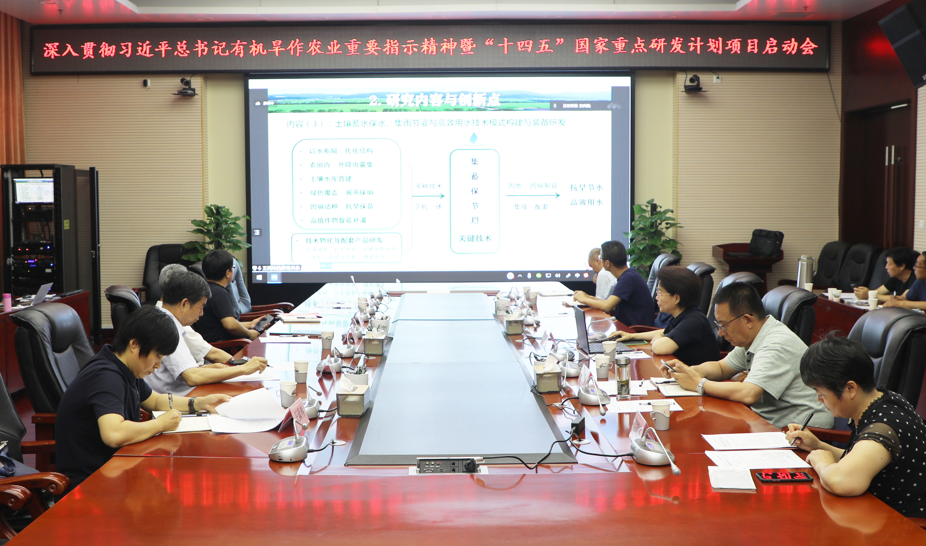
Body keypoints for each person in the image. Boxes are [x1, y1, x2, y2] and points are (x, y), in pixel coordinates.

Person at [56, 306, 231, 489]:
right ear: (134, 344)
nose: (158, 365)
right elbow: (114, 434)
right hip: (91, 483)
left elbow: (155, 400)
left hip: (117, 468)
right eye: (157, 356)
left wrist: (199, 403)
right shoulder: (106, 377)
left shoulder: (125, 367)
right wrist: (160, 424)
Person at [660, 282, 832, 429]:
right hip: (767, 424)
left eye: (723, 325)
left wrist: (699, 384)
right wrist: (688, 371)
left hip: (804, 433)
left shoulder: (776, 343)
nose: (720, 333)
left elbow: (749, 393)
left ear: (747, 320)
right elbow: (721, 368)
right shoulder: (754, 336)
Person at [786, 337, 926, 517]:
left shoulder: (883, 427)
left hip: (903, 524)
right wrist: (817, 445)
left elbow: (841, 481)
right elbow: (857, 460)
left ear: (850, 388)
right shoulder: (885, 399)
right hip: (875, 513)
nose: (819, 400)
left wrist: (820, 462)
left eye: (821, 393)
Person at [146, 269, 268, 395]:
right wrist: (243, 369)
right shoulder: (167, 327)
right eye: (200, 307)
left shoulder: (161, 318)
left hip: (179, 393)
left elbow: (176, 371)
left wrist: (206, 368)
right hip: (176, 399)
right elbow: (192, 377)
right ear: (184, 304)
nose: (201, 313)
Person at [157, 264, 267, 368]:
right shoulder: (169, 325)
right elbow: (192, 374)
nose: (201, 314)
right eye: (200, 308)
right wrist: (244, 367)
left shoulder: (159, 315)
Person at [609, 266, 719, 365]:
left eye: (660, 293)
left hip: (700, 379)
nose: (657, 297)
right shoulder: (683, 315)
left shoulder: (693, 321)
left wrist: (659, 338)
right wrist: (632, 336)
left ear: (676, 298)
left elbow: (659, 348)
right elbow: (665, 331)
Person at [573, 241, 655, 327]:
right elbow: (611, 303)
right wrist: (588, 297)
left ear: (607, 263)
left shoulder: (628, 278)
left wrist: (583, 299)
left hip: (635, 331)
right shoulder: (628, 275)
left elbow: (607, 306)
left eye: (601, 258)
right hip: (627, 327)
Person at [193, 249, 264, 343]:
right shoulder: (220, 294)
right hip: (225, 345)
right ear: (228, 273)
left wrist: (251, 324)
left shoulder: (204, 289)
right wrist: (249, 334)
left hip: (211, 342)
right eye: (233, 267)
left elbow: (221, 324)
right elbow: (230, 326)